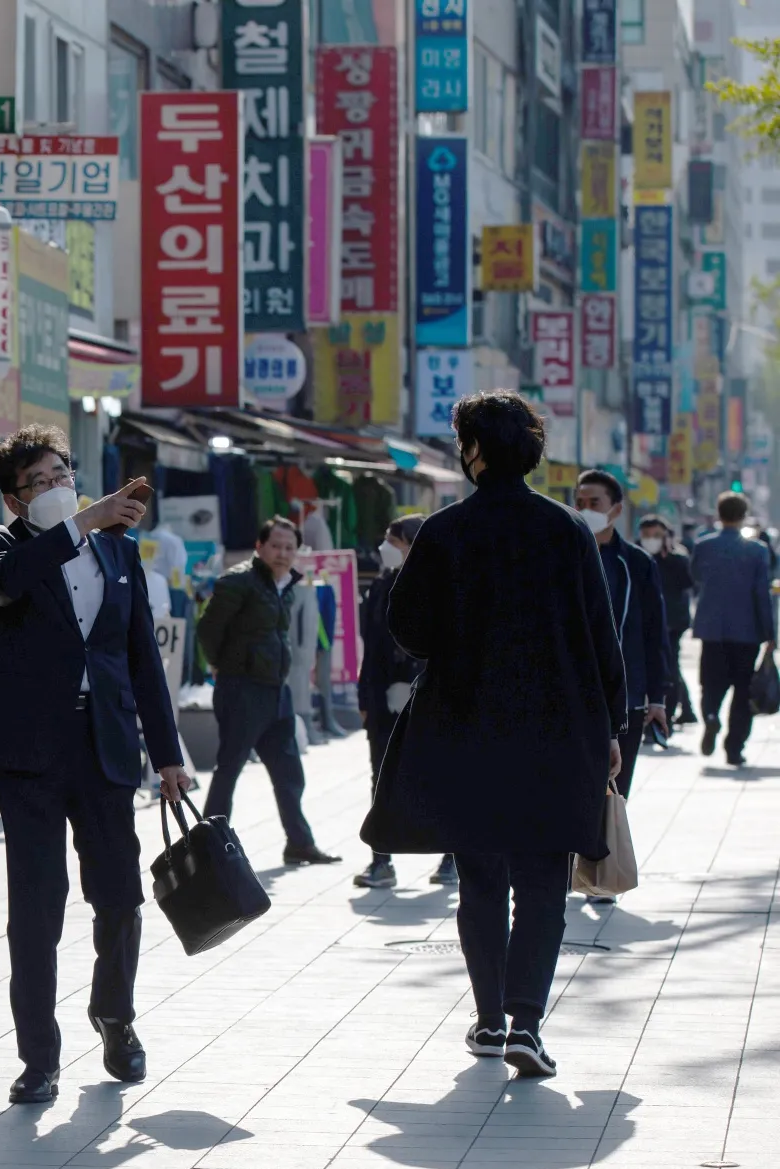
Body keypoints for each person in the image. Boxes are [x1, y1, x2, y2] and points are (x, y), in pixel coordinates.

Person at [362, 392, 625, 1079]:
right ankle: (527, 1025)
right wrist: (614, 728)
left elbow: (410, 631)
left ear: (475, 451)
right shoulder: (566, 530)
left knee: (480, 877)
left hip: (466, 725)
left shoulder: (446, 531)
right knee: (542, 881)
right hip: (557, 727)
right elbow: (602, 638)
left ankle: (487, 1020)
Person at [0, 427, 192, 1106]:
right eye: (40, 480)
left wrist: (171, 753)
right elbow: (10, 584)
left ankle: (114, 1015)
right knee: (36, 909)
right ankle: (40, 1057)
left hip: (106, 745)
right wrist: (84, 519)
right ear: (13, 497)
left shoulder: (118, 553)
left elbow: (141, 662)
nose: (58, 486)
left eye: (64, 472)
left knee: (119, 896)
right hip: (30, 751)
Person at [195, 517, 342, 866]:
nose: (282, 553)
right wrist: (220, 665)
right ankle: (209, 847)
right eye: (276, 546)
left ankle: (299, 843)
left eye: (290, 547)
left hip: (276, 690)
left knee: (289, 771)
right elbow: (207, 629)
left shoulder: (285, 584)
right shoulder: (238, 581)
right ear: (259, 547)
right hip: (241, 688)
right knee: (229, 769)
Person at [574, 471, 670, 804]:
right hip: (571, 696)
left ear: (616, 508)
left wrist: (657, 697)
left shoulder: (636, 563)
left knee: (614, 798)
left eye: (594, 503)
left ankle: (605, 858)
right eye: (580, 502)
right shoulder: (561, 556)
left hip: (625, 699)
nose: (586, 509)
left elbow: (654, 632)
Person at [354, 516, 432, 890]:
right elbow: (370, 647)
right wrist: (366, 696)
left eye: (392, 540)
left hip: (428, 697)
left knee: (439, 776)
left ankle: (452, 856)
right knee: (380, 777)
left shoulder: (440, 583)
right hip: (383, 698)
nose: (385, 547)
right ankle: (381, 860)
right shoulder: (382, 584)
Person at [690, 493, 778, 767]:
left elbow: (695, 577)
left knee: (710, 683)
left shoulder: (704, 545)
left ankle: (711, 716)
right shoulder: (757, 550)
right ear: (744, 515)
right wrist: (770, 634)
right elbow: (761, 595)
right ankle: (734, 747)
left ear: (719, 513)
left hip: (712, 630)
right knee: (743, 690)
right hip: (747, 632)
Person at [639, 515, 696, 725]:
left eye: (656, 535)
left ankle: (668, 715)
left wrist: (669, 554)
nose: (651, 539)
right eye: (646, 535)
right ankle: (685, 708)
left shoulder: (677, 558)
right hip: (644, 622)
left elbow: (687, 583)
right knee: (654, 667)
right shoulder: (635, 556)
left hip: (672, 623)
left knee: (669, 667)